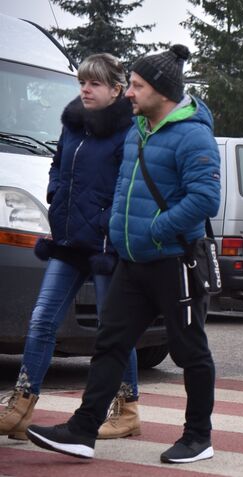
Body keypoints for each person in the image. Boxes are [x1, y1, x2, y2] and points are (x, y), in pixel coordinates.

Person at [25, 45, 220, 464]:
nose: (129, 92)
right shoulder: (138, 129)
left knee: (190, 351)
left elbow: (205, 199)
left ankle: (198, 437)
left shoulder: (193, 134)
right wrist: (117, 228)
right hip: (131, 260)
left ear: (162, 91)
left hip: (174, 259)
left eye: (136, 85)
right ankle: (82, 430)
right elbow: (121, 186)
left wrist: (155, 230)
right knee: (110, 344)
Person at [0, 53, 139, 441]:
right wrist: (55, 194)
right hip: (65, 241)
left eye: (94, 83)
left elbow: (127, 186)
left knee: (113, 329)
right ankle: (21, 406)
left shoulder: (129, 131)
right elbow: (57, 166)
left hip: (106, 247)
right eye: (82, 82)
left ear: (116, 89)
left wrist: (103, 222)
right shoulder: (73, 124)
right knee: (42, 319)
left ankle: (127, 409)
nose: (85, 89)